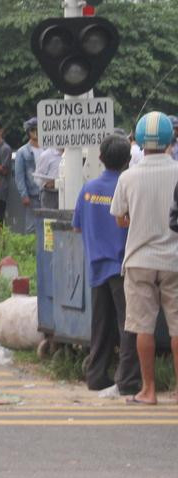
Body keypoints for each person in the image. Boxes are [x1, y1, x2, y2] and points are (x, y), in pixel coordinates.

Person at [113, 112, 178, 405]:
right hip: (174, 259)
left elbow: (119, 219)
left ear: (139, 141)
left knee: (143, 327)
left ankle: (148, 390)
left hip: (139, 259)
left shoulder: (128, 176)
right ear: (171, 140)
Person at [72, 135, 141, 398]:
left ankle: (96, 375)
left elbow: (77, 225)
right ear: (127, 160)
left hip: (96, 265)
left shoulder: (87, 188)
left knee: (100, 325)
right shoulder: (126, 187)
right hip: (121, 266)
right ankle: (128, 379)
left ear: (100, 158)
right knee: (128, 325)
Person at [13, 118, 42, 213]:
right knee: (32, 225)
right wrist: (24, 194)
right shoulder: (22, 152)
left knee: (48, 224)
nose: (36, 132)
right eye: (32, 130)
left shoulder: (48, 149)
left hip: (48, 192)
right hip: (32, 193)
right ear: (28, 132)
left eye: (38, 129)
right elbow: (19, 176)